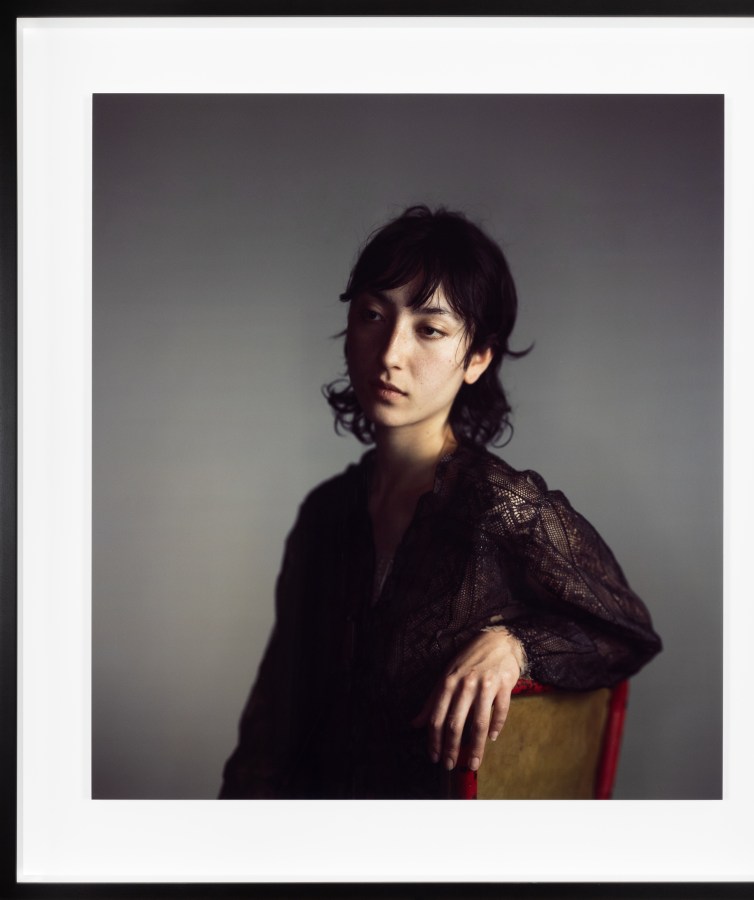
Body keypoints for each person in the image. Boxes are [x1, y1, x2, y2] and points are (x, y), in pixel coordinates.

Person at [219, 205, 662, 799]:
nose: (391, 352)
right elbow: (272, 721)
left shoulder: (499, 507)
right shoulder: (324, 514)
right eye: (373, 315)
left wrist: (517, 646)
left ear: (477, 357)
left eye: (430, 329)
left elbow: (630, 632)